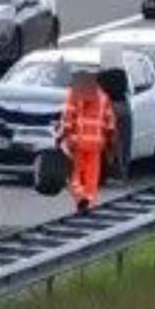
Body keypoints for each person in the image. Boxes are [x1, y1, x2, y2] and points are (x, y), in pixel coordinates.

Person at [57, 70, 116, 214]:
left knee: (74, 176)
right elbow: (110, 124)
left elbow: (68, 119)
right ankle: (89, 203)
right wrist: (110, 142)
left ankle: (80, 197)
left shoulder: (74, 95)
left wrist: (61, 136)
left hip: (77, 143)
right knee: (92, 177)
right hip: (96, 145)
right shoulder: (103, 97)